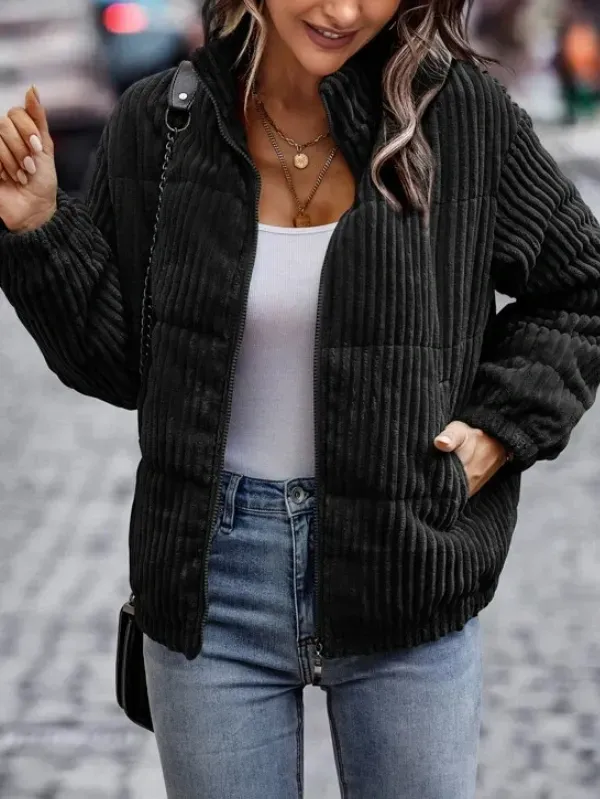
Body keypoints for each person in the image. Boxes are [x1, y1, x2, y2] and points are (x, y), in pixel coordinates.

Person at [1, 1, 600, 797]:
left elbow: (582, 289)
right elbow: (121, 364)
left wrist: (499, 430)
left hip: (404, 565)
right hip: (209, 582)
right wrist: (39, 227)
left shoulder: (459, 116)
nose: (342, 10)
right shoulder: (162, 123)